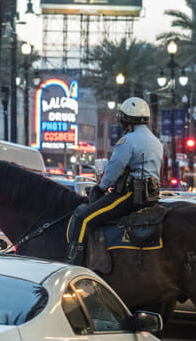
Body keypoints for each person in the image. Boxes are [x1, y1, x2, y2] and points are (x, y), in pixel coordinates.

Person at [65, 97, 162, 265]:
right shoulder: (156, 141)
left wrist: (101, 187)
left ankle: (75, 264)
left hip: (131, 196)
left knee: (83, 218)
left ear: (127, 119)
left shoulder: (128, 141)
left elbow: (114, 170)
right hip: (151, 196)